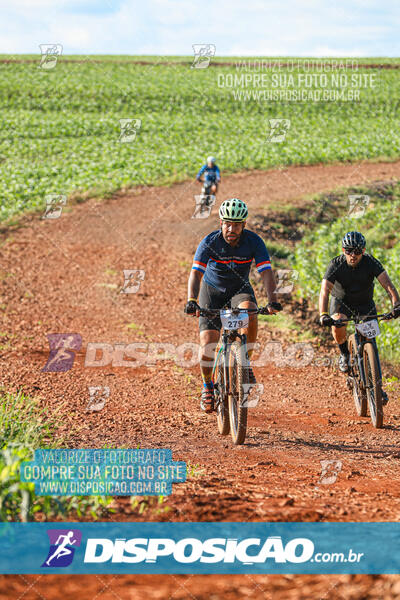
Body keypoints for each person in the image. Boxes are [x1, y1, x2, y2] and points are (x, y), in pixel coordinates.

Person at [184, 198, 282, 413]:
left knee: (251, 313)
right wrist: (192, 300)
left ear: (243, 225)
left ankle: (244, 363)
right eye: (228, 223)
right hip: (212, 292)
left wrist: (273, 300)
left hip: (240, 290)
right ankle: (208, 386)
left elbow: (266, 272)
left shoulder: (254, 242)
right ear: (221, 222)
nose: (231, 229)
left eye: (236, 225)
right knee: (207, 346)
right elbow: (196, 273)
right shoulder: (210, 242)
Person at [318, 231, 400, 382]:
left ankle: (377, 385)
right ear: (343, 251)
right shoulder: (335, 264)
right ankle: (344, 354)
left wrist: (396, 304)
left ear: (363, 251)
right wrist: (323, 314)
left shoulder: (371, 262)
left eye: (357, 251)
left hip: (365, 304)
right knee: (338, 324)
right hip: (341, 303)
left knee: (371, 341)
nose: (352, 255)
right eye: (348, 251)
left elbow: (388, 285)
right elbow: (324, 290)